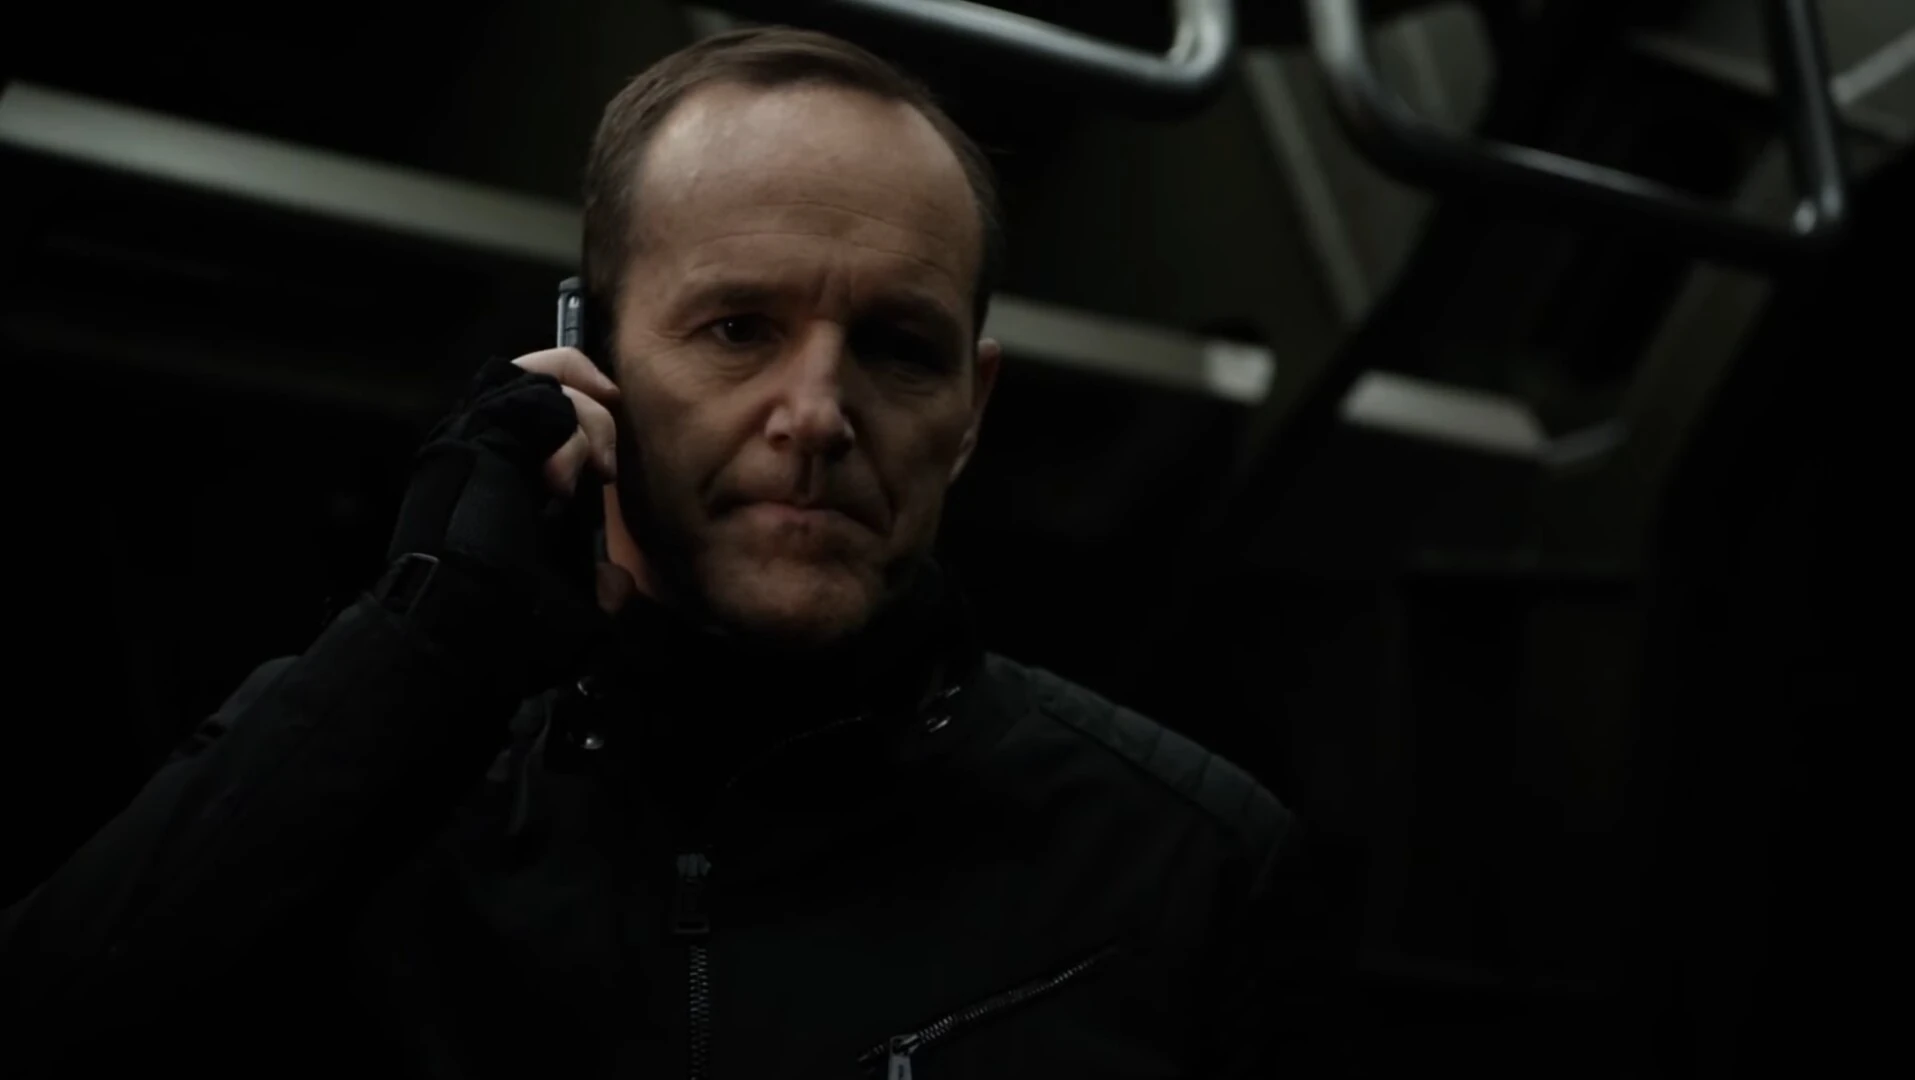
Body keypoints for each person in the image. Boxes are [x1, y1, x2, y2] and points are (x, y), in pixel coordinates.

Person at [2, 27, 1346, 1080]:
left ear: (971, 410)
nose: (816, 415)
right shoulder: (378, 784)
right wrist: (423, 645)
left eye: (897, 348)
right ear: (588, 355)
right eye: (737, 329)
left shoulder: (1188, 869)